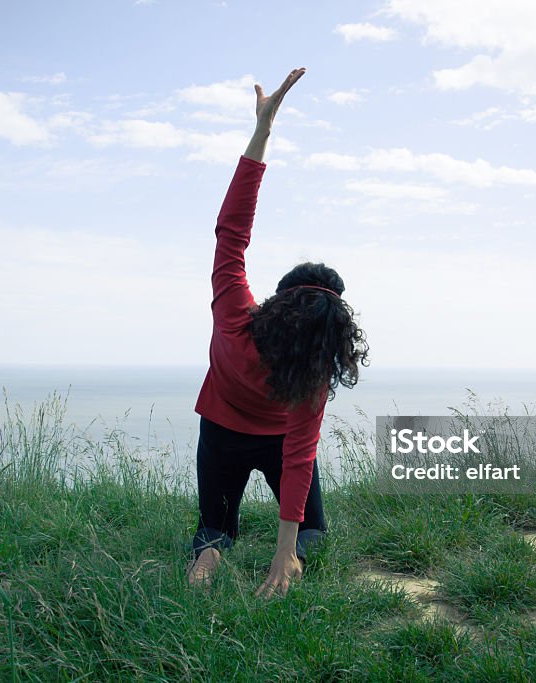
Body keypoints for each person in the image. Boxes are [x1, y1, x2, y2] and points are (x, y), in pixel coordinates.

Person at [187, 67, 370, 597]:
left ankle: (209, 558)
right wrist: (285, 551)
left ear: (278, 300)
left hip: (219, 435)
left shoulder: (234, 316)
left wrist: (262, 132)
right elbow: (298, 459)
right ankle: (290, 563)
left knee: (215, 530)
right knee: (312, 534)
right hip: (273, 443)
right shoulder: (313, 373)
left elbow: (232, 231)